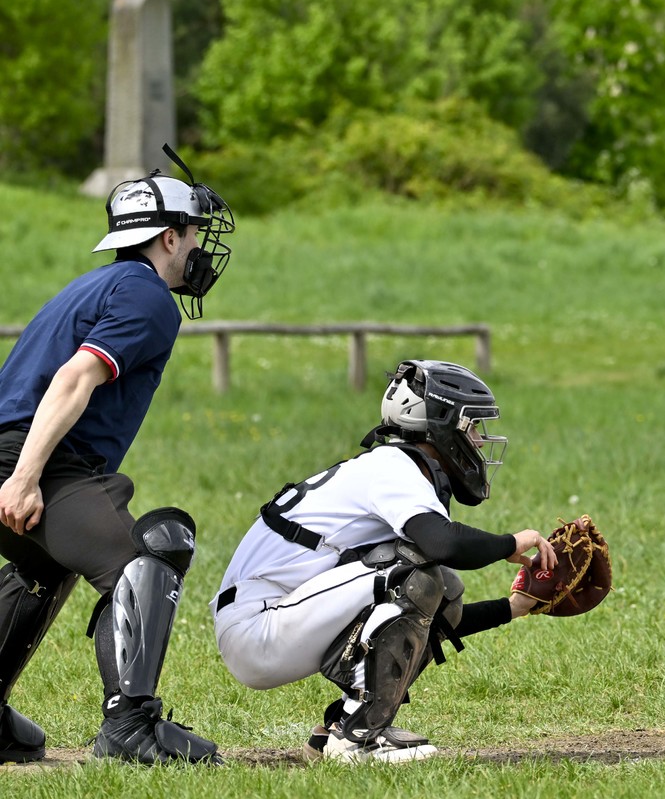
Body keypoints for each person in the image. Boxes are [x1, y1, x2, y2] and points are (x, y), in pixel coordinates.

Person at [0, 156, 235, 764]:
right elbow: (76, 377)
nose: (197, 250)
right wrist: (26, 477)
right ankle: (130, 727)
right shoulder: (148, 295)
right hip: (36, 458)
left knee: (47, 568)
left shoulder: (95, 283)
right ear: (166, 237)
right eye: (191, 235)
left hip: (14, 449)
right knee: (145, 557)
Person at [212, 359, 561, 763]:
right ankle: (357, 737)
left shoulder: (393, 466)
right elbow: (442, 544)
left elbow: (434, 613)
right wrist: (512, 541)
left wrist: (514, 609)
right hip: (258, 627)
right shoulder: (394, 468)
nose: (480, 441)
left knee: (437, 585)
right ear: (443, 425)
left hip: (271, 621)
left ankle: (336, 730)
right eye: (472, 427)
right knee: (415, 570)